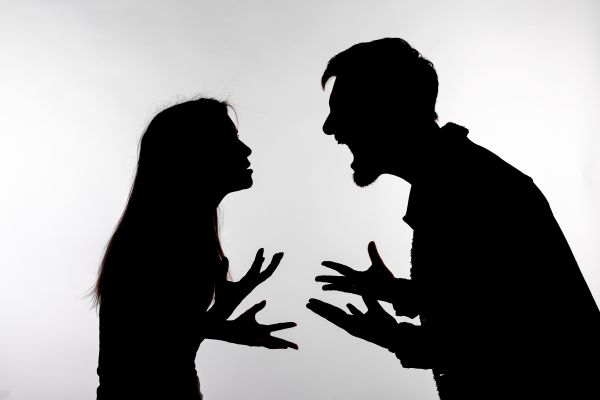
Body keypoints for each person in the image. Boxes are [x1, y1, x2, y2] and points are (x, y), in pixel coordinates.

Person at [307, 38, 600, 399]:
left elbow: (517, 344)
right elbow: (484, 302)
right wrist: (402, 293)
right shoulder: (454, 181)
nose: (329, 127)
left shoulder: (471, 189)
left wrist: (394, 336)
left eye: (343, 109)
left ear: (387, 110)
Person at [92, 98, 297, 400]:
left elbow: (161, 334)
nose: (246, 150)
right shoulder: (161, 236)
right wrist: (219, 319)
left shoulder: (175, 230)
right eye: (230, 140)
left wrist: (218, 326)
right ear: (194, 154)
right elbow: (152, 350)